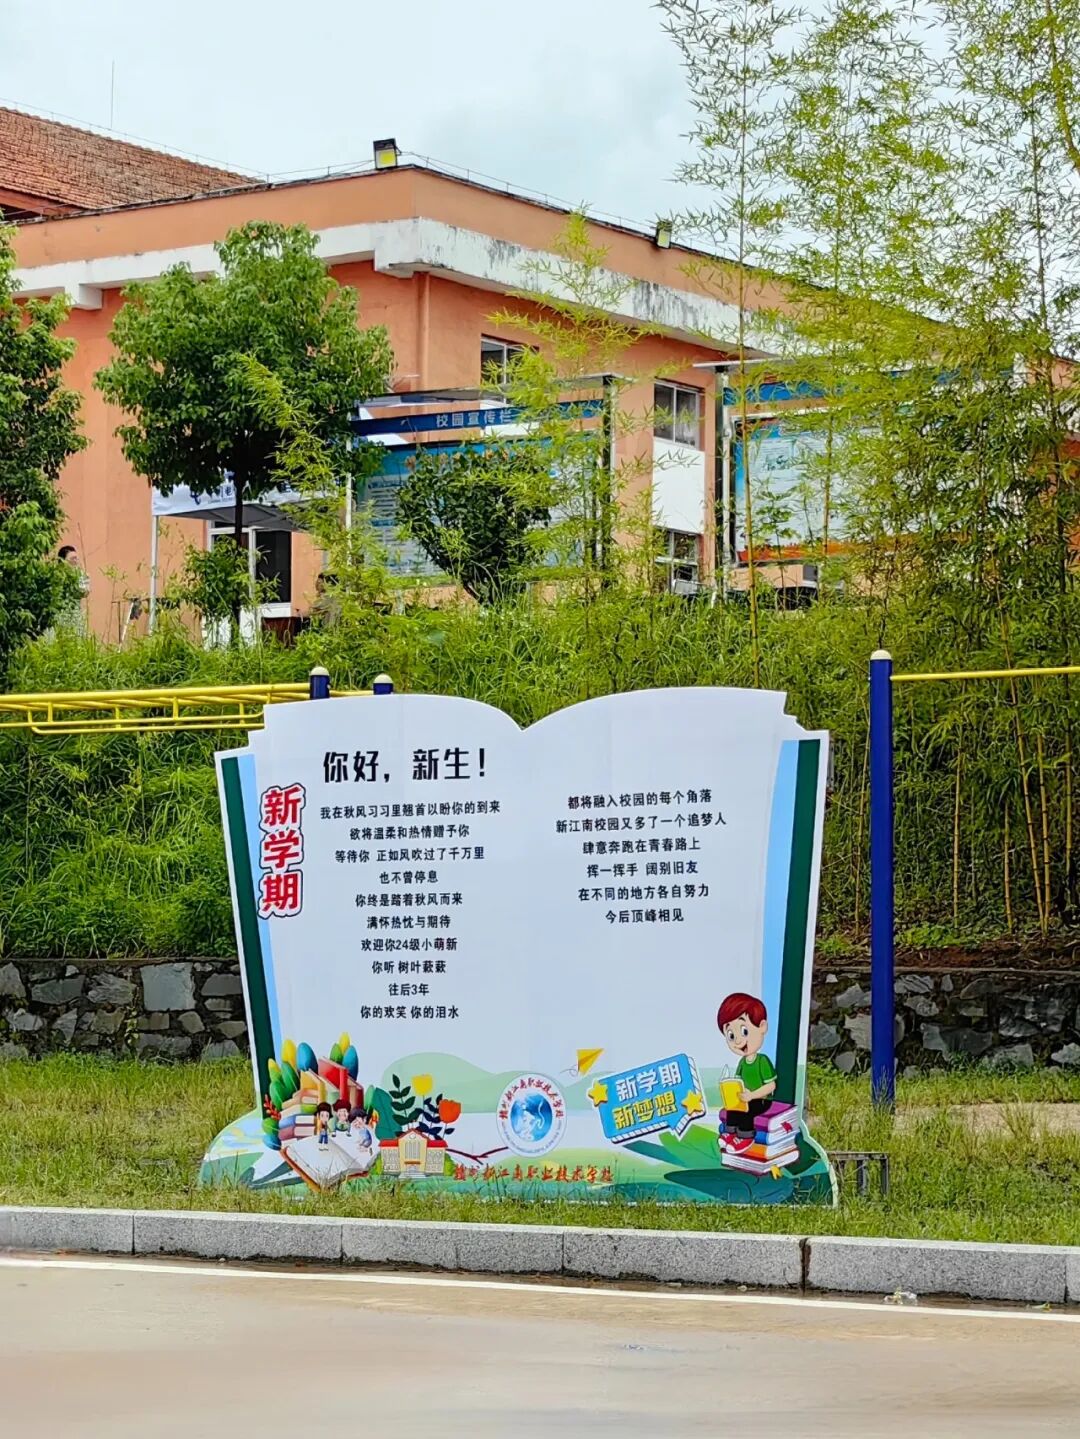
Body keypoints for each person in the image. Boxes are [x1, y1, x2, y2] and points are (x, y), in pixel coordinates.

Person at [717, 992, 778, 1153]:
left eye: (744, 1031)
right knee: (733, 1108)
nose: (738, 1041)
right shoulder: (743, 1062)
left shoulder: (762, 1061)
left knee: (747, 1110)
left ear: (762, 1026)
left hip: (761, 1100)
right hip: (745, 1097)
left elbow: (771, 1086)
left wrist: (752, 1095)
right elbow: (738, 1081)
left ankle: (745, 1137)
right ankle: (730, 1134)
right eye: (731, 1035)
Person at [57, 545, 90, 634]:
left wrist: (83, 577)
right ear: (62, 561)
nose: (75, 561)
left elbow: (85, 592)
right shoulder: (57, 576)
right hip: (61, 616)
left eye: (76, 558)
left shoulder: (79, 575)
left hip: (76, 616)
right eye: (72, 559)